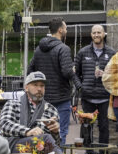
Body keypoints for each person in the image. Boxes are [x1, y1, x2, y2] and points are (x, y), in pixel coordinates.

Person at [0, 71, 103, 154]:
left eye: (42, 86)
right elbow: (5, 124)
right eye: (35, 85)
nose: (39, 88)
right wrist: (28, 131)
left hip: (39, 151)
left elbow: (55, 145)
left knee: (48, 147)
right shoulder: (13, 103)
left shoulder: (51, 110)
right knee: (43, 140)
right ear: (26, 87)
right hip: (12, 146)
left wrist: (55, 132)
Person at [28, 18, 81, 146]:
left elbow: (30, 70)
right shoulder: (63, 49)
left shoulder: (38, 49)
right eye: (66, 28)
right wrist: (74, 75)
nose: (66, 31)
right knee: (60, 132)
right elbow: (66, 71)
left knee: (42, 132)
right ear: (60, 30)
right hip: (61, 98)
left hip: (43, 98)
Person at [74, 24, 115, 154]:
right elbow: (75, 74)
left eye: (99, 32)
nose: (96, 35)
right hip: (88, 96)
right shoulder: (83, 52)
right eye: (94, 32)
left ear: (104, 34)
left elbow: (116, 75)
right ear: (91, 35)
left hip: (104, 96)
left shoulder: (111, 53)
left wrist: (106, 75)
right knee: (87, 127)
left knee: (104, 127)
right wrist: (80, 87)